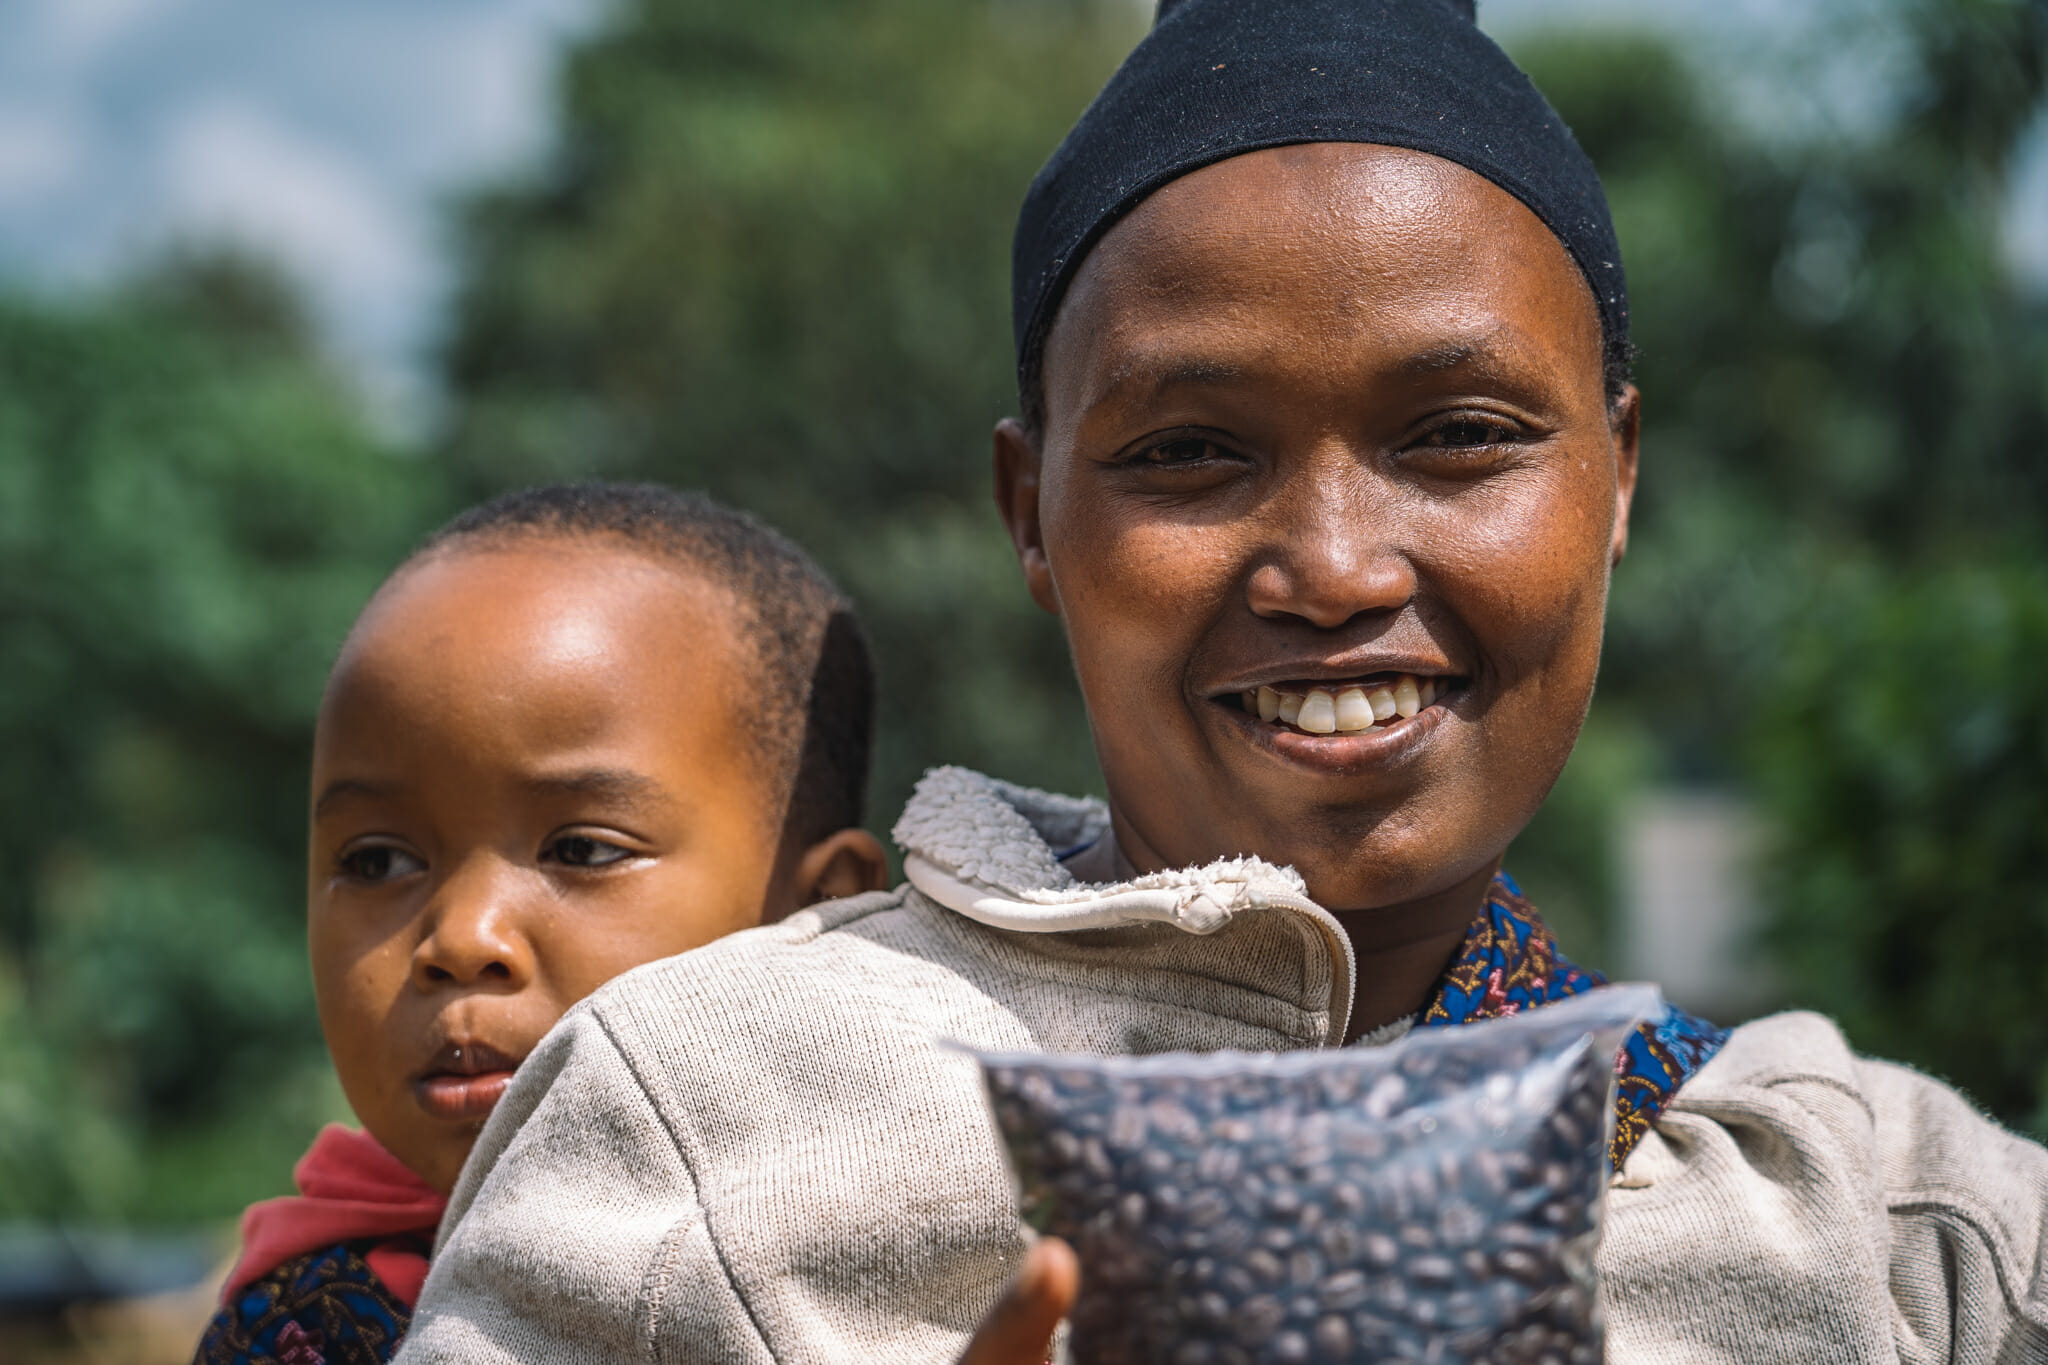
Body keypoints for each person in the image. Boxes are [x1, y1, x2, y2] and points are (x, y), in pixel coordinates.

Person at [397, 2, 2048, 1362]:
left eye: (1457, 438)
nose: (1333, 567)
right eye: (1188, 452)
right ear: (1025, 512)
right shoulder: (694, 1123)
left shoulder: (1894, 1227)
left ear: (1613, 476)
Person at [192, 482, 888, 1365]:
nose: (461, 939)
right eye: (376, 860)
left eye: (583, 850)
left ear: (817, 912)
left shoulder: (956, 1240)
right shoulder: (312, 1324)